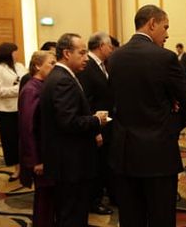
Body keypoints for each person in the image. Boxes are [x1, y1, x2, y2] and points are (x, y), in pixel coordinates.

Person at [107, 4, 186, 227]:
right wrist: (171, 129)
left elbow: (113, 101)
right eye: (166, 26)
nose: (168, 34)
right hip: (158, 151)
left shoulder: (114, 58)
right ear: (152, 23)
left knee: (131, 215)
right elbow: (183, 99)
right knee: (161, 215)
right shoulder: (166, 58)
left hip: (124, 151)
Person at [40, 33, 107, 227]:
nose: (86, 58)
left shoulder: (62, 76)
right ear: (67, 53)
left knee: (70, 211)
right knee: (72, 213)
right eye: (82, 52)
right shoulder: (62, 80)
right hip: (70, 162)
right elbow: (68, 122)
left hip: (67, 160)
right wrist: (96, 120)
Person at [76, 32, 114, 215]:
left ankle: (102, 195)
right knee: (95, 165)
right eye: (110, 46)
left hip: (105, 124)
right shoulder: (88, 67)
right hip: (95, 126)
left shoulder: (101, 65)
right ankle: (94, 200)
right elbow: (86, 102)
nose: (112, 49)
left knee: (103, 163)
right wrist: (94, 130)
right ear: (101, 46)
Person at [18, 50, 57, 227]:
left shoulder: (44, 86)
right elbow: (27, 128)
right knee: (44, 202)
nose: (55, 67)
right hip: (40, 155)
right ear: (38, 65)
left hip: (48, 151)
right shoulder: (31, 89)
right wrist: (35, 161)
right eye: (52, 63)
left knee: (50, 199)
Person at [0, 42, 27, 181]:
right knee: (10, 141)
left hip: (21, 108)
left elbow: (27, 82)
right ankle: (16, 168)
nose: (17, 54)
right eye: (15, 52)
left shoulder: (20, 66)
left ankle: (26, 166)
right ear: (8, 53)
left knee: (23, 138)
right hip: (4, 111)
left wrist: (21, 87)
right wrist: (18, 89)